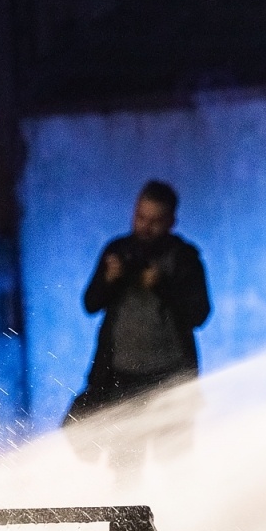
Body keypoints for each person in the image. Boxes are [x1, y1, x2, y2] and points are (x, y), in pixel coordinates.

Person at [69, 180, 211, 474]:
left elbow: (199, 314)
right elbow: (90, 303)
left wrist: (162, 286)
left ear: (171, 222)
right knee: (124, 468)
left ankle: (181, 519)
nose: (145, 228)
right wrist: (109, 279)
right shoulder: (118, 250)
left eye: (155, 221)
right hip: (122, 380)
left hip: (170, 382)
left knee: (175, 467)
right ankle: (125, 521)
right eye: (140, 218)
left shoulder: (184, 258)